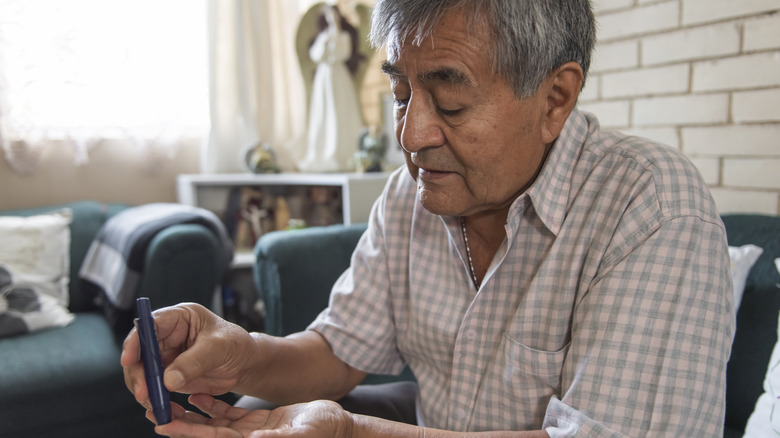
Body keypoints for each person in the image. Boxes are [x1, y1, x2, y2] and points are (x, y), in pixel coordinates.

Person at [122, 0, 734, 436]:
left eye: (450, 101)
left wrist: (351, 435)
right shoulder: (407, 197)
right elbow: (339, 351)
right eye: (400, 95)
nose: (411, 136)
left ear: (555, 100)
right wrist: (243, 353)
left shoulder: (650, 209)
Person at [298, 4, 365, 173]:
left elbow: (344, 54)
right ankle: (324, 152)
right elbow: (315, 54)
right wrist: (326, 42)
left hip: (339, 75)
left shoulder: (344, 36)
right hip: (324, 77)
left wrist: (333, 43)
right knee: (324, 112)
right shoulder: (322, 37)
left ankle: (343, 154)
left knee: (341, 111)